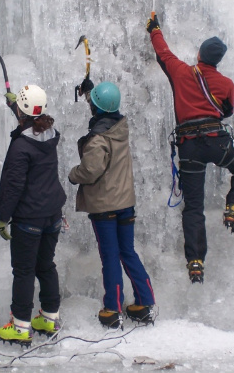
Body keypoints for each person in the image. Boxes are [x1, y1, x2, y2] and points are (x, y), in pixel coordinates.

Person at [146, 14, 234, 283]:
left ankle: (195, 261)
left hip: (189, 147)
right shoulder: (227, 84)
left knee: (194, 207)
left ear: (199, 55)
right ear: (217, 61)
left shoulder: (182, 72)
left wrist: (154, 28)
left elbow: (163, 53)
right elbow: (226, 111)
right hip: (216, 141)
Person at [68, 81, 156, 328]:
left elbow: (89, 171)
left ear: (96, 108)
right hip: (125, 203)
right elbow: (102, 105)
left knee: (110, 257)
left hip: (105, 207)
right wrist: (90, 91)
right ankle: (145, 303)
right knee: (127, 252)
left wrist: (73, 174)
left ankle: (113, 308)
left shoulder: (98, 139)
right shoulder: (119, 127)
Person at [0, 85, 67, 345]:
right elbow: (30, 121)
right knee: (45, 266)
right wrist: (15, 106)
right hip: (52, 215)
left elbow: (14, 186)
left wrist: (4, 217)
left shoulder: (20, 147)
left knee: (23, 270)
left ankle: (20, 325)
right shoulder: (50, 134)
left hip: (29, 218)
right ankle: (49, 317)